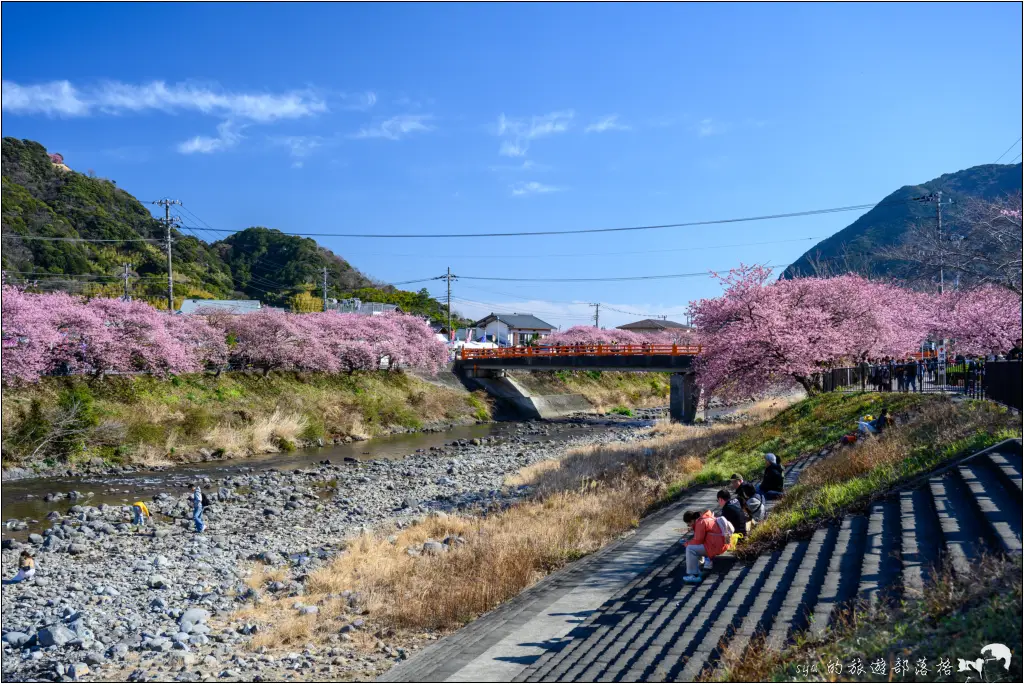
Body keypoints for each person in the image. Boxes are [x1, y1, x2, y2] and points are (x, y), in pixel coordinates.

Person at [680, 509, 732, 584]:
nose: (689, 526)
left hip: (715, 547)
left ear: (692, 520)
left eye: (689, 524)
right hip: (721, 544)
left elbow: (698, 541)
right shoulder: (708, 517)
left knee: (690, 549)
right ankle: (699, 566)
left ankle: (693, 574)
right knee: (693, 546)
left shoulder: (700, 522)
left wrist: (686, 543)